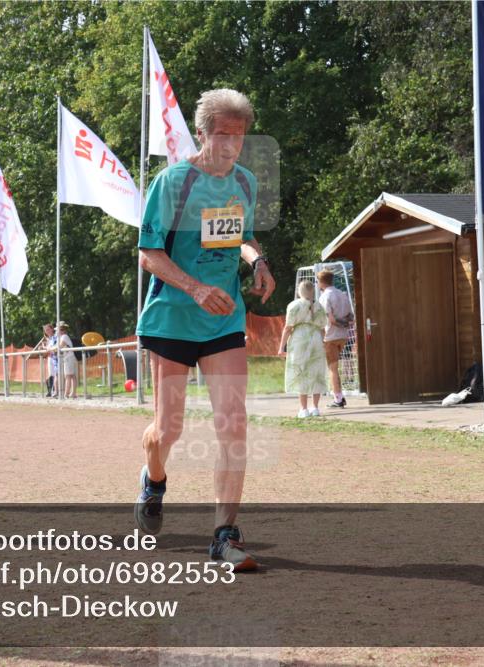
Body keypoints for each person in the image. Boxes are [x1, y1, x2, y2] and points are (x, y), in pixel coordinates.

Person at [134, 89, 275, 571]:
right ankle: (154, 479)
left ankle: (223, 534)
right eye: (222, 134)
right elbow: (148, 253)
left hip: (223, 319)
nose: (231, 144)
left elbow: (243, 236)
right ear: (201, 133)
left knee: (234, 423)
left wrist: (258, 262)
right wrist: (194, 288)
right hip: (173, 317)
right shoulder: (173, 182)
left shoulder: (245, 182)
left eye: (239, 136)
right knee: (168, 429)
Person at [278, 280, 328, 417]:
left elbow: (288, 328)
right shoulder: (319, 306)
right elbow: (323, 328)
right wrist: (323, 342)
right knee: (317, 372)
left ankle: (303, 409)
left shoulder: (294, 305)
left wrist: (281, 347)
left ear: (299, 291)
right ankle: (315, 408)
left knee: (301, 371)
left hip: (299, 339)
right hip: (316, 338)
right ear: (313, 291)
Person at [317, 270, 350, 408]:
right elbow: (350, 317)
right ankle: (340, 396)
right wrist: (344, 325)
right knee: (336, 368)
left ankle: (338, 399)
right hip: (343, 336)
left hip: (330, 336)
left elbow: (330, 320)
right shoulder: (342, 294)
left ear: (321, 282)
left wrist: (337, 324)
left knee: (333, 369)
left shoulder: (325, 297)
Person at [33, 323, 57, 397]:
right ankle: (50, 391)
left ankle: (54, 390)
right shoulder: (49, 339)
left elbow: (51, 348)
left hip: (55, 358)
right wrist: (43, 348)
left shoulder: (55, 337)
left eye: (48, 329)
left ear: (52, 329)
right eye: (45, 330)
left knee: (55, 374)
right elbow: (48, 349)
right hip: (50, 358)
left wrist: (44, 347)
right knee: (51, 374)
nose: (47, 331)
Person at [55, 321, 77, 399]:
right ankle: (72, 393)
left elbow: (59, 346)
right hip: (68, 358)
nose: (56, 332)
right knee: (72, 376)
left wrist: (50, 349)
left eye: (57, 330)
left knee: (68, 376)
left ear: (61, 330)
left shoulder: (64, 336)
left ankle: (66, 394)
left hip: (69, 358)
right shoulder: (62, 337)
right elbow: (57, 346)